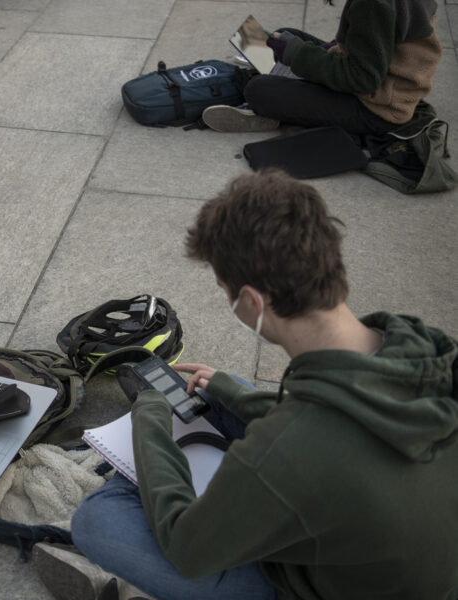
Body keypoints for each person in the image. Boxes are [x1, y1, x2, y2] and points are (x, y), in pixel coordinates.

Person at [32, 170, 458, 600]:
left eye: (226, 293)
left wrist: (149, 420)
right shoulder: (424, 345)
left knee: (99, 519)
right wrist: (235, 395)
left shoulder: (288, 449)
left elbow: (188, 548)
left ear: (253, 302)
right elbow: (349, 415)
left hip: (323, 586)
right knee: (224, 388)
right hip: (402, 556)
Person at [201, 0, 443, 135]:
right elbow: (380, 46)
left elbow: (363, 79)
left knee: (259, 90)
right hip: (386, 81)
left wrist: (297, 54)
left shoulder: (372, 5)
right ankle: (292, 88)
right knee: (286, 36)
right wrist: (310, 49)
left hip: (379, 110)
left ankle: (276, 113)